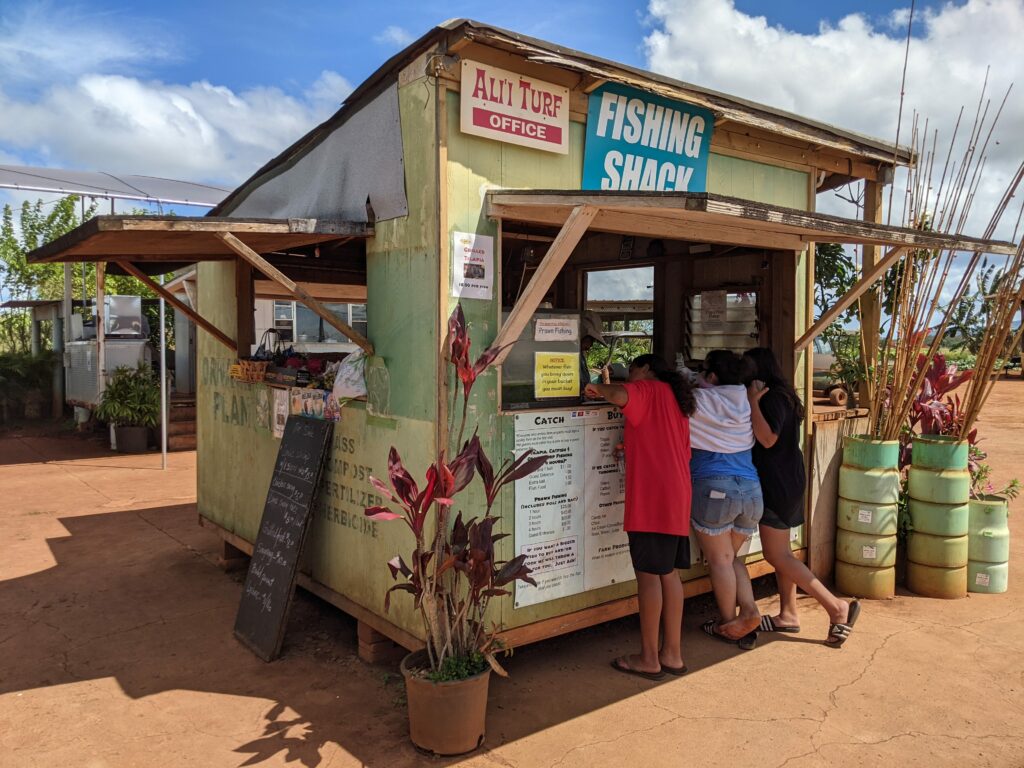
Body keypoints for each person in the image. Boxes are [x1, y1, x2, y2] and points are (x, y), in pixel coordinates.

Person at [584, 354, 695, 680]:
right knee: (670, 575)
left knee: (648, 578)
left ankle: (649, 658)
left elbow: (621, 395)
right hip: (676, 496)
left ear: (646, 369)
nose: (629, 376)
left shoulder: (647, 388)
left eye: (632, 370)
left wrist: (596, 387)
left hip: (652, 500)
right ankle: (672, 654)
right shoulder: (676, 397)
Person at [743, 347, 861, 647]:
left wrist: (752, 403)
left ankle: (837, 608)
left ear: (758, 373)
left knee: (776, 555)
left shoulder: (767, 399)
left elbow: (767, 439)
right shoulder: (785, 396)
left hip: (776, 483)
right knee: (784, 553)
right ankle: (788, 613)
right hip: (790, 478)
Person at [689, 349, 763, 649]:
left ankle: (728, 623)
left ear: (712, 376)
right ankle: (750, 611)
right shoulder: (746, 399)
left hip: (715, 489)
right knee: (732, 559)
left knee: (719, 562)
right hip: (751, 490)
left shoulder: (700, 399)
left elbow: (679, 391)